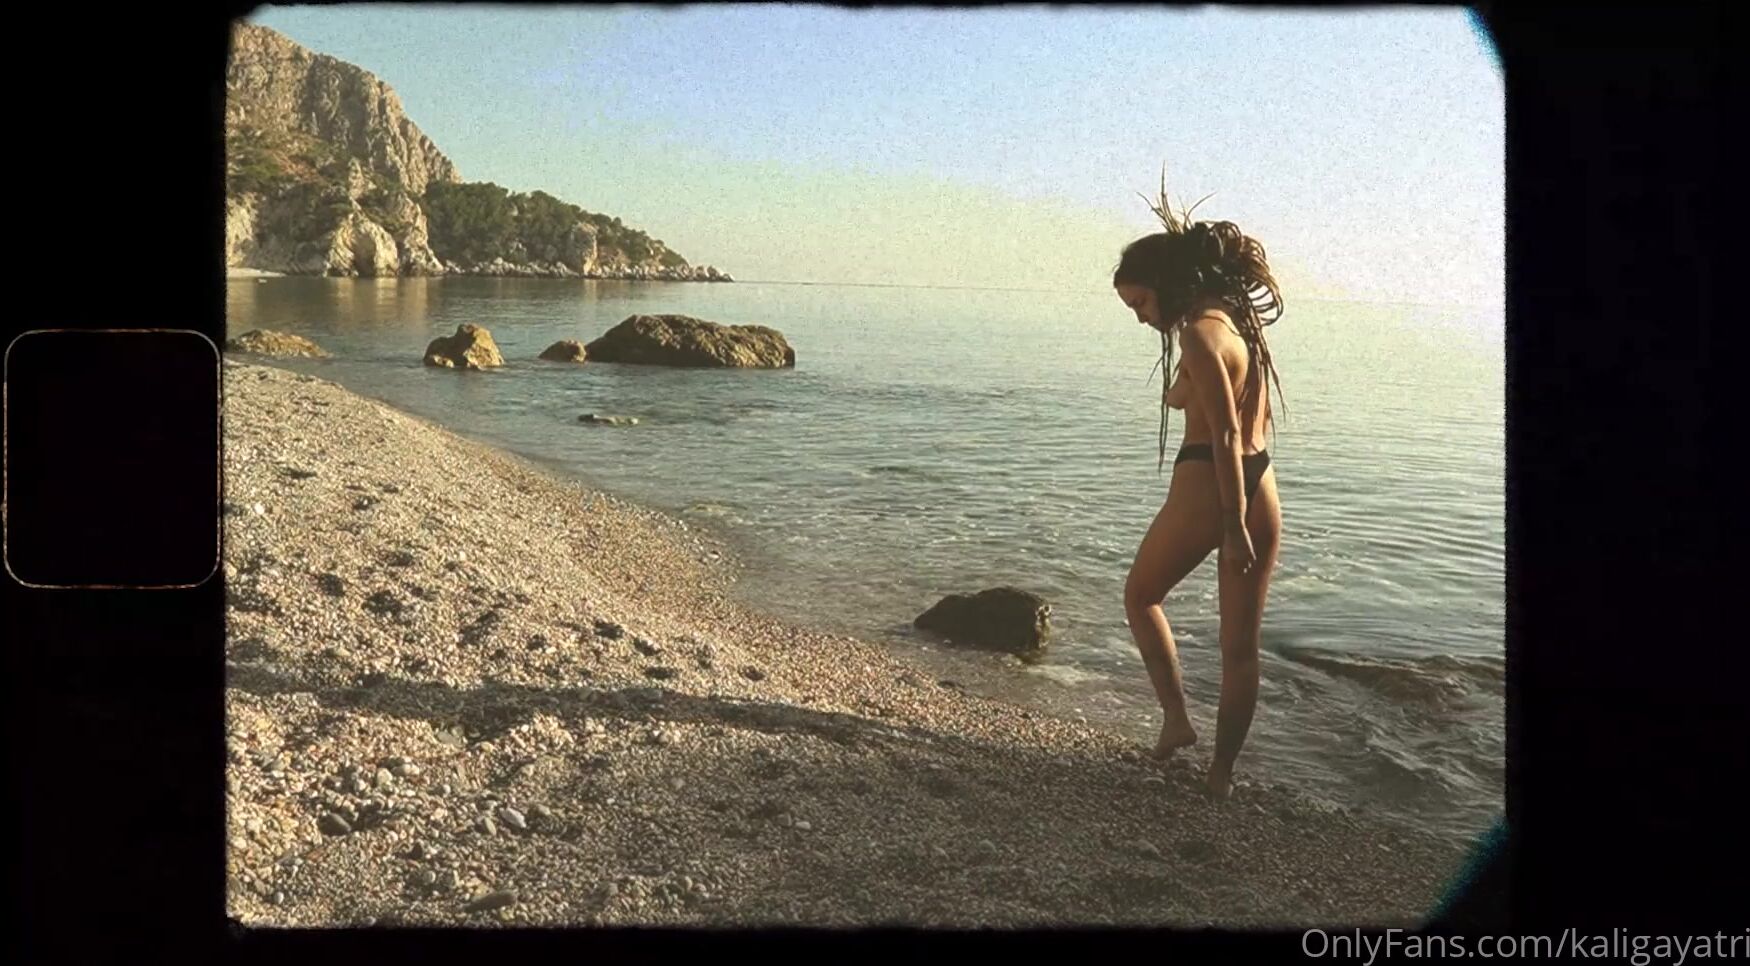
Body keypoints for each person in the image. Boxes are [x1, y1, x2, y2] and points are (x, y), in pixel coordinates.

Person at [1112, 172, 1287, 800]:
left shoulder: (1197, 334)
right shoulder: (1237, 323)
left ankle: (1176, 720)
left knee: (1141, 597)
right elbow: (1242, 420)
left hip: (1213, 486)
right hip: (1264, 485)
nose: (1142, 318)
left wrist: (1232, 525)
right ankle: (1220, 778)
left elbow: (1223, 434)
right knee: (1240, 647)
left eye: (1141, 304)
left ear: (1164, 286)